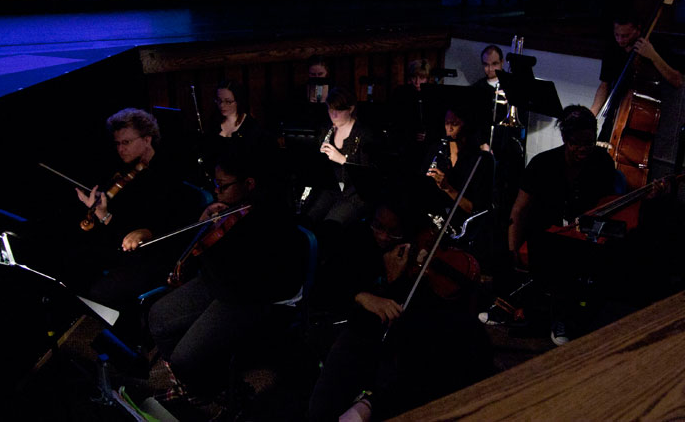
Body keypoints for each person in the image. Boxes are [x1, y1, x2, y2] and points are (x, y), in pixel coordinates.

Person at [307, 201, 492, 421]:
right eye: (378, 226)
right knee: (323, 404)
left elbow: (412, 327)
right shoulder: (359, 240)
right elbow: (324, 289)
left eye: (394, 232)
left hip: (403, 339)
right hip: (363, 329)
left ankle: (371, 403)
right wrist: (361, 296)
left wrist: (396, 283)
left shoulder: (418, 268)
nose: (384, 237)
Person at [148, 150, 304, 399]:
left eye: (223, 186)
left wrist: (209, 247)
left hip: (254, 295)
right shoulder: (235, 208)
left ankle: (211, 389)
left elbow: (237, 282)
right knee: (159, 317)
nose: (216, 192)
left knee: (185, 358)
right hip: (224, 282)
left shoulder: (271, 218)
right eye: (216, 185)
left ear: (249, 184)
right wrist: (204, 222)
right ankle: (193, 383)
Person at [505, 105, 617, 344]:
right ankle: (549, 316)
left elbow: (610, 205)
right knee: (552, 251)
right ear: (565, 139)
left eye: (590, 142)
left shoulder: (602, 162)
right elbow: (519, 209)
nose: (584, 149)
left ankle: (568, 318)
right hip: (546, 236)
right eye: (577, 143)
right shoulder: (542, 164)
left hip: (586, 237)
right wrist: (512, 247)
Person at [69, 108, 191, 318]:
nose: (120, 149)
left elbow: (167, 223)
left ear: (147, 139)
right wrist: (98, 213)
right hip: (123, 248)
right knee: (74, 264)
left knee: (100, 291)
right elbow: (119, 227)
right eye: (117, 144)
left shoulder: (168, 173)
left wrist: (106, 217)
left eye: (126, 142)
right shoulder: (126, 174)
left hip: (152, 255)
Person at [590, 11, 683, 140]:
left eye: (625, 35)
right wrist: (590, 116)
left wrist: (653, 56)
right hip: (614, 114)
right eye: (617, 35)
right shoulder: (612, 48)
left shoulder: (657, 44)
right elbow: (604, 85)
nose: (620, 40)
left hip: (640, 119)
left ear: (638, 29)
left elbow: (677, 81)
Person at [304, 87, 378, 228]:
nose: (333, 115)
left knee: (331, 225)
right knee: (309, 218)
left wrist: (342, 159)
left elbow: (368, 177)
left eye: (338, 110)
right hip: (330, 189)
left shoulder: (364, 135)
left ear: (350, 109)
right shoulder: (326, 130)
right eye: (330, 109)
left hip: (354, 194)